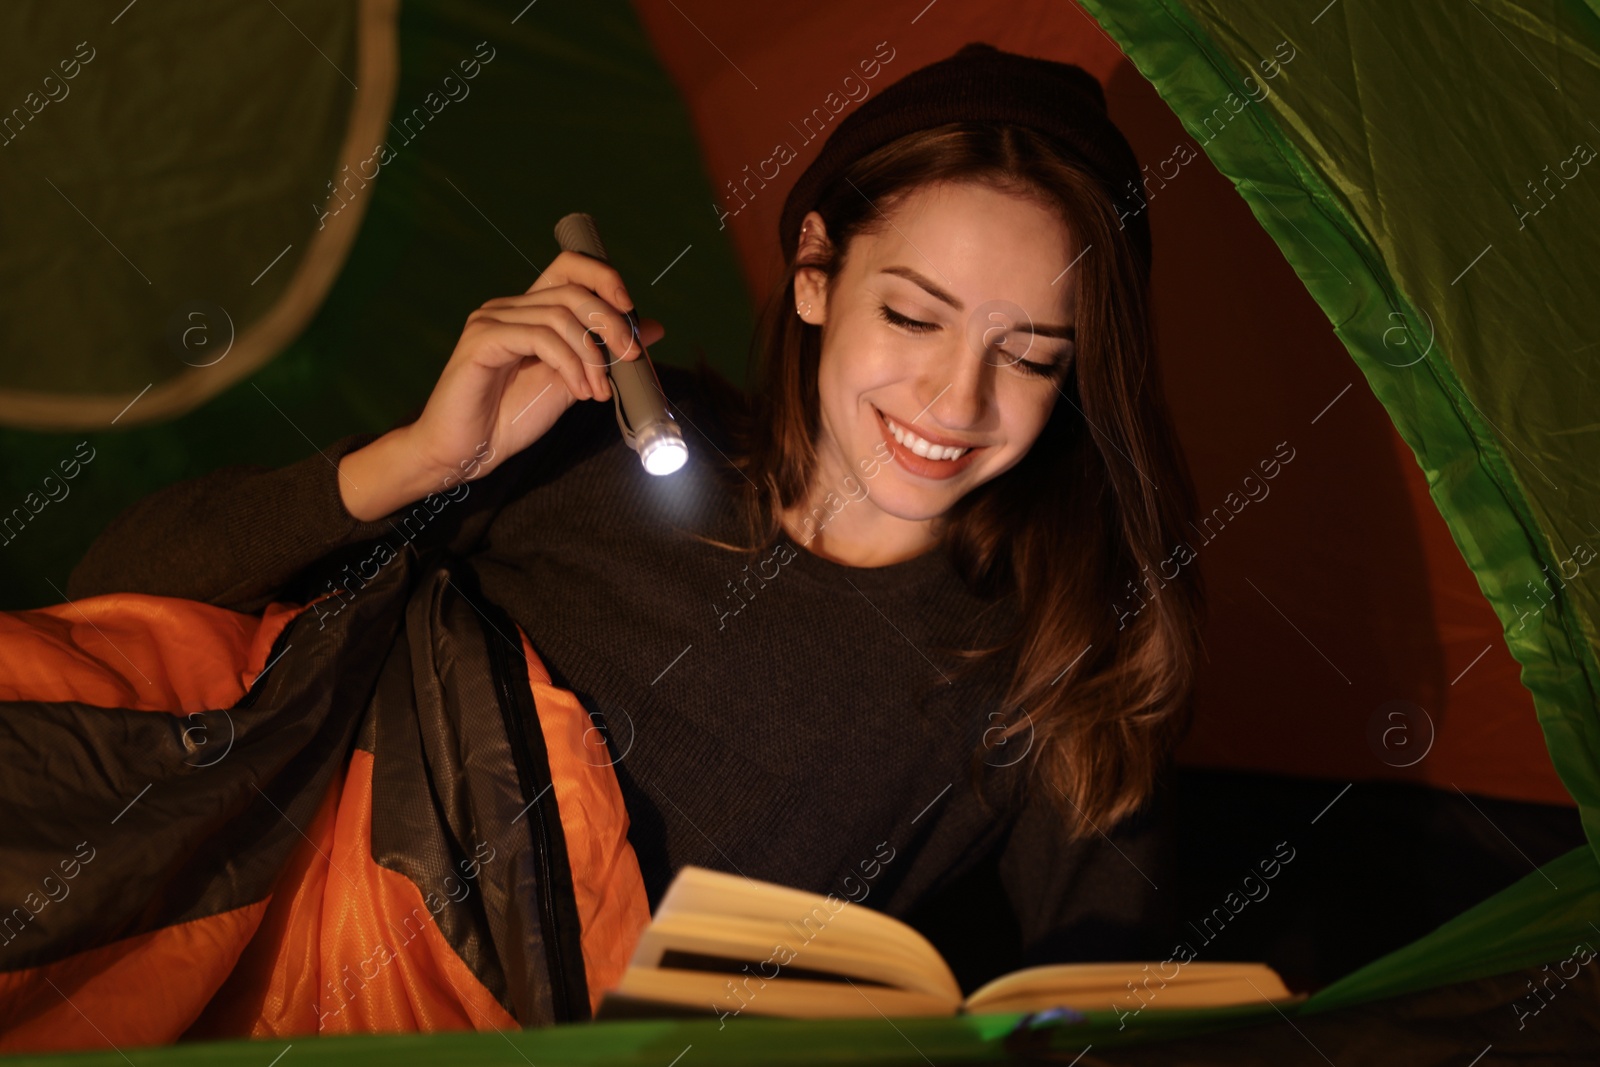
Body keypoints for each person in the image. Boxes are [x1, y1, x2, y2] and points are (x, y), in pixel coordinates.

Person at [68, 43, 1203, 985]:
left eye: (1031, 356)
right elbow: (110, 608)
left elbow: (1106, 1010)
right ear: (815, 270)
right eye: (913, 319)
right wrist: (420, 460)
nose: (957, 401)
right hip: (243, 954)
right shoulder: (590, 437)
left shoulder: (1055, 659)